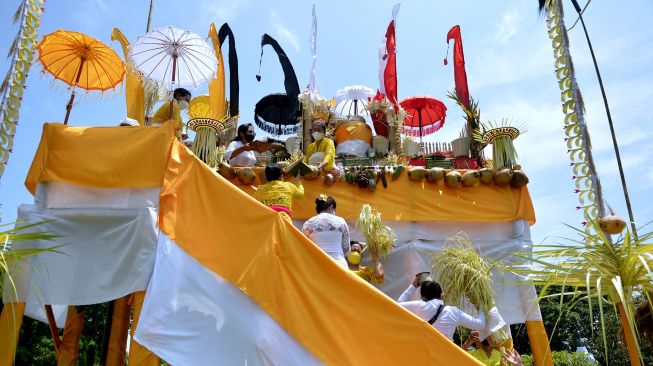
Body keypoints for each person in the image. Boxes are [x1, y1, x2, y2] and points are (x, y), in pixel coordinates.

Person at [397, 276, 486, 341]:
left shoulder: (419, 307)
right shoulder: (452, 311)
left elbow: (398, 305)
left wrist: (414, 285)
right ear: (442, 295)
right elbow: (479, 325)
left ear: (423, 297)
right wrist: (482, 305)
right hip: (446, 357)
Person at [301, 195, 350, 268]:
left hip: (316, 264)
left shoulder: (308, 223)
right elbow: (346, 249)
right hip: (338, 263)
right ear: (331, 207)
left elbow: (304, 246)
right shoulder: (341, 221)